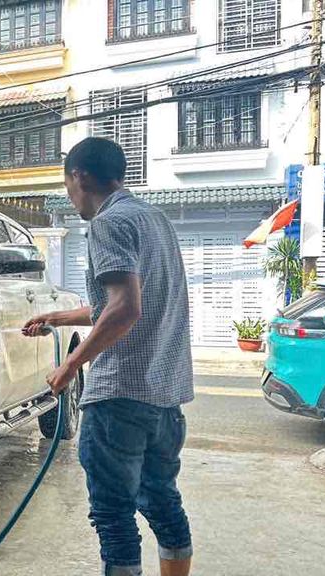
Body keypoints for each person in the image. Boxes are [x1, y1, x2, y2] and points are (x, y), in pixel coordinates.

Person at [23, 137, 194, 576]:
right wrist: (59, 317)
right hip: (164, 400)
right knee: (163, 503)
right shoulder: (154, 220)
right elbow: (125, 302)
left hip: (120, 397)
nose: (70, 197)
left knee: (114, 518)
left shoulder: (108, 223)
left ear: (79, 176)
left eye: (67, 186)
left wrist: (69, 365)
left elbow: (125, 309)